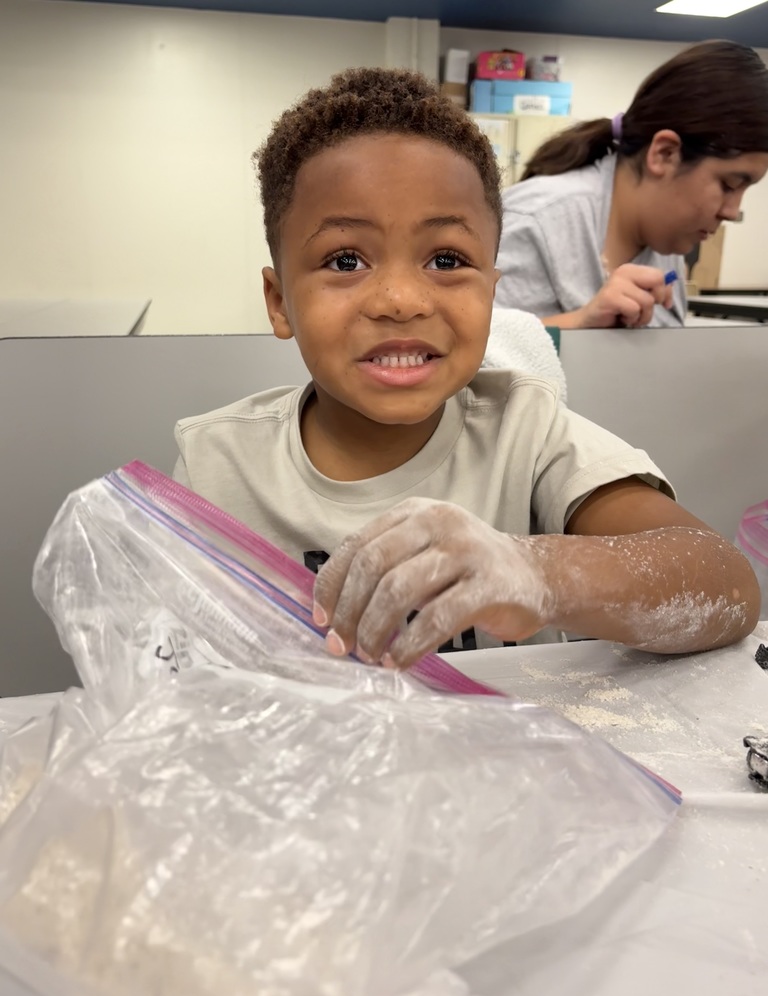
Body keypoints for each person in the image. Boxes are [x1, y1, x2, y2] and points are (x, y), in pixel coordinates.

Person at [172, 67, 760, 669]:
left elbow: (726, 586)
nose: (401, 300)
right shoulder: (216, 465)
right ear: (279, 303)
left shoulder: (523, 433)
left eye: (446, 258)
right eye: (346, 260)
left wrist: (538, 572)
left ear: (492, 292)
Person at [494, 39, 768, 329]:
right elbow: (470, 354)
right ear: (665, 154)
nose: (731, 211)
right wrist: (581, 322)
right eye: (729, 184)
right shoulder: (535, 220)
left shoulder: (665, 239)